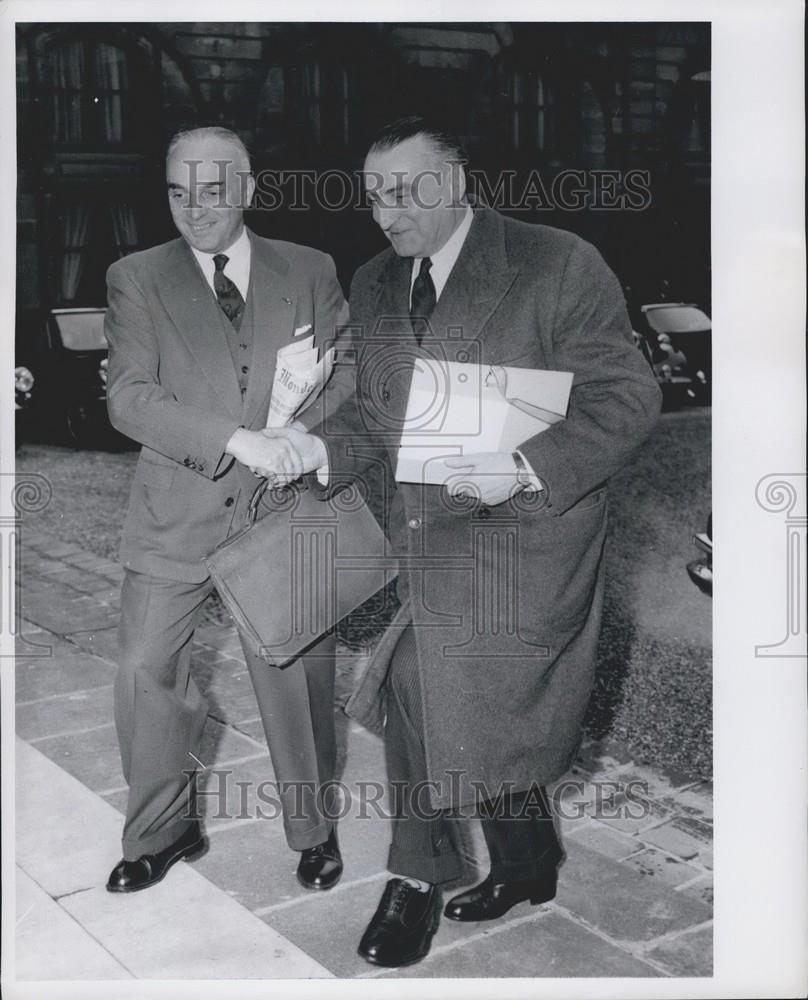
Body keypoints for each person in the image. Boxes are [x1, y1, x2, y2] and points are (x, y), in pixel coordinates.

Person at [266, 115, 662, 967]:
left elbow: (627, 398)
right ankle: (526, 859)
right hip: (431, 536)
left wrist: (522, 465)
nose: (385, 210)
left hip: (530, 535)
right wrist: (315, 445)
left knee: (418, 681)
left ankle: (414, 881)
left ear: (458, 183)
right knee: (461, 698)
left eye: (406, 190)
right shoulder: (375, 281)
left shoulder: (557, 262)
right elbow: (377, 416)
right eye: (374, 195)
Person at [104, 126, 351, 895]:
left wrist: (305, 439)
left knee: (296, 674)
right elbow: (129, 397)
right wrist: (236, 438)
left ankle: (313, 830)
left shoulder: (309, 270)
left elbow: (348, 375)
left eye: (213, 191)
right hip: (176, 511)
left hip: (281, 509)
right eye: (179, 193)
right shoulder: (136, 276)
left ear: (247, 188)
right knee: (145, 671)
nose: (195, 210)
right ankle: (161, 832)